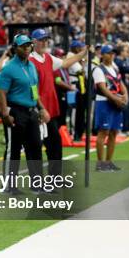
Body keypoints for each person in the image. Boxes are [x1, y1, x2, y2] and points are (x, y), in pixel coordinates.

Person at [0, 34, 50, 195]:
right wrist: (5, 113)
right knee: (13, 149)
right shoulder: (9, 68)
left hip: (30, 111)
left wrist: (41, 108)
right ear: (15, 48)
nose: (26, 48)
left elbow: (34, 91)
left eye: (28, 45)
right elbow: (1, 91)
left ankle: (37, 184)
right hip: (15, 111)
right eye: (23, 46)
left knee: (35, 148)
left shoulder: (31, 66)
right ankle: (9, 186)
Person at [29, 28, 85, 177]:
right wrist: (40, 108)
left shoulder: (48, 57)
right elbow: (32, 88)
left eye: (46, 39)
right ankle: (38, 182)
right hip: (38, 110)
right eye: (41, 39)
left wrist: (83, 53)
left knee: (55, 145)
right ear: (34, 42)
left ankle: (54, 178)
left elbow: (66, 63)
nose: (45, 42)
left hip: (51, 109)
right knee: (36, 147)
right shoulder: (30, 61)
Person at [93, 45, 128, 171]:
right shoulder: (98, 69)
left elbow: (120, 83)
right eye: (108, 53)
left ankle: (108, 162)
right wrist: (117, 99)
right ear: (102, 55)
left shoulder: (114, 67)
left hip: (115, 102)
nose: (111, 55)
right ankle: (100, 163)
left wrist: (125, 95)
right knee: (103, 132)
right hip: (104, 103)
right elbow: (102, 88)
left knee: (114, 132)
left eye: (113, 53)